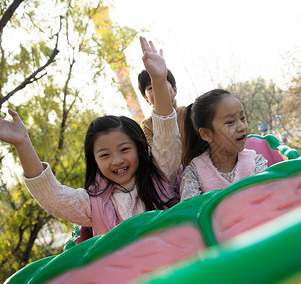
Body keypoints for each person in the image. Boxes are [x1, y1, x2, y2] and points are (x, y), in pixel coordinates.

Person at [0, 36, 182, 237]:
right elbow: (53, 196)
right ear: (95, 161)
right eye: (104, 155)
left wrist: (157, 80)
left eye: (124, 149)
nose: (117, 160)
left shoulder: (162, 174)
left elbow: (166, 136)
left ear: (139, 149)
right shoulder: (93, 203)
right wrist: (22, 142)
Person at [180, 89, 268, 201]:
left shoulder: (256, 162)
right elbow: (190, 212)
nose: (242, 127)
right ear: (206, 134)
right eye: (230, 122)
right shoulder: (194, 173)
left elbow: (268, 198)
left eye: (242, 118)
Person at [138, 68, 185, 150]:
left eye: (162, 83)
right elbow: (153, 154)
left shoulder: (187, 112)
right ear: (146, 99)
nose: (157, 89)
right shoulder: (147, 126)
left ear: (174, 89)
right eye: (151, 87)